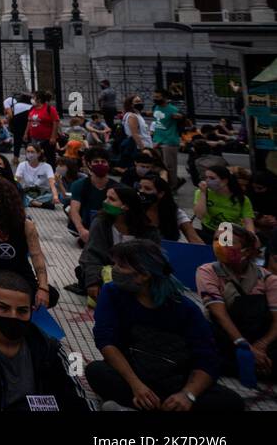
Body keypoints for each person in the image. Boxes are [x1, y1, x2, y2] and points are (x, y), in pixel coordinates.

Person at [85, 239, 243, 412]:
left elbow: (208, 358)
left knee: (232, 402)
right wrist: (136, 385)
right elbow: (106, 340)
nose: (114, 269)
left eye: (121, 265)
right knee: (96, 371)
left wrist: (187, 395)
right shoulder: (112, 293)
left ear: (144, 275)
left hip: (175, 381)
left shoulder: (184, 309)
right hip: (134, 374)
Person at [0, 270, 92, 412]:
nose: (13, 316)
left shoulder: (49, 347)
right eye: (3, 308)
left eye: (22, 311)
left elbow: (77, 398)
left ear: (32, 310)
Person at [197, 225, 276, 380]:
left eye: (226, 240)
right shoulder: (207, 271)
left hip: (258, 334)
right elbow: (219, 315)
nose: (218, 244)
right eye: (215, 239)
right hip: (226, 335)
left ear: (245, 251)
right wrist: (243, 344)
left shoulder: (267, 278)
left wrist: (263, 344)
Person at [0, 174, 57, 309]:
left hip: (21, 278)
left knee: (52, 295)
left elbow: (37, 256)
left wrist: (43, 288)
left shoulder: (27, 225)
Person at [78, 184, 160, 302]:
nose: (105, 202)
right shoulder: (101, 223)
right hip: (105, 276)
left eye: (111, 199)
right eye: (106, 198)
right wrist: (93, 282)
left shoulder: (148, 231)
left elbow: (152, 261)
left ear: (125, 206)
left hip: (137, 277)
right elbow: (91, 255)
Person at [193, 158, 254, 242]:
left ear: (224, 181)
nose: (207, 181)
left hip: (230, 234)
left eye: (212, 178)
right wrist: (203, 193)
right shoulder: (201, 192)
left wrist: (252, 237)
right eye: (205, 177)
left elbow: (248, 222)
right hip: (208, 231)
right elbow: (199, 215)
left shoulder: (242, 199)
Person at [137, 172, 204, 243]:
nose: (141, 191)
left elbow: (194, 238)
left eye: (147, 189)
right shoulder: (131, 208)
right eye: (139, 187)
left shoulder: (175, 212)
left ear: (161, 194)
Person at [67, 147, 116, 245]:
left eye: (103, 161)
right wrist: (81, 230)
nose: (100, 164)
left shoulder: (116, 187)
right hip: (86, 223)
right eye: (96, 162)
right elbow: (74, 210)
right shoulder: (79, 185)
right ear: (89, 164)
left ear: (108, 164)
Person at [151, 88, 183, 187]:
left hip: (169, 141)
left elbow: (184, 122)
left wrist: (181, 117)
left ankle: (172, 186)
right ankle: (162, 185)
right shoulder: (155, 107)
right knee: (157, 166)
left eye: (157, 97)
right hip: (157, 140)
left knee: (170, 167)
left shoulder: (172, 109)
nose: (155, 99)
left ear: (164, 98)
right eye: (154, 97)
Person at [14, 143, 58, 209]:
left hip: (42, 193)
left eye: (32, 152)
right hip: (28, 192)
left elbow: (52, 183)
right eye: (28, 152)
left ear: (39, 154)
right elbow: (16, 180)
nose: (30, 154)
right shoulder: (22, 165)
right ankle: (38, 204)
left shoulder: (47, 166)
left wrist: (55, 196)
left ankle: (28, 202)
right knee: (18, 192)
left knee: (50, 196)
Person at [23, 90, 60, 165]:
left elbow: (56, 122)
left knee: (49, 157)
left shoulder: (50, 109)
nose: (32, 99)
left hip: (47, 139)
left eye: (33, 97)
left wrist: (53, 137)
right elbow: (29, 121)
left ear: (39, 99)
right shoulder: (32, 109)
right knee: (33, 156)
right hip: (34, 138)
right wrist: (26, 133)